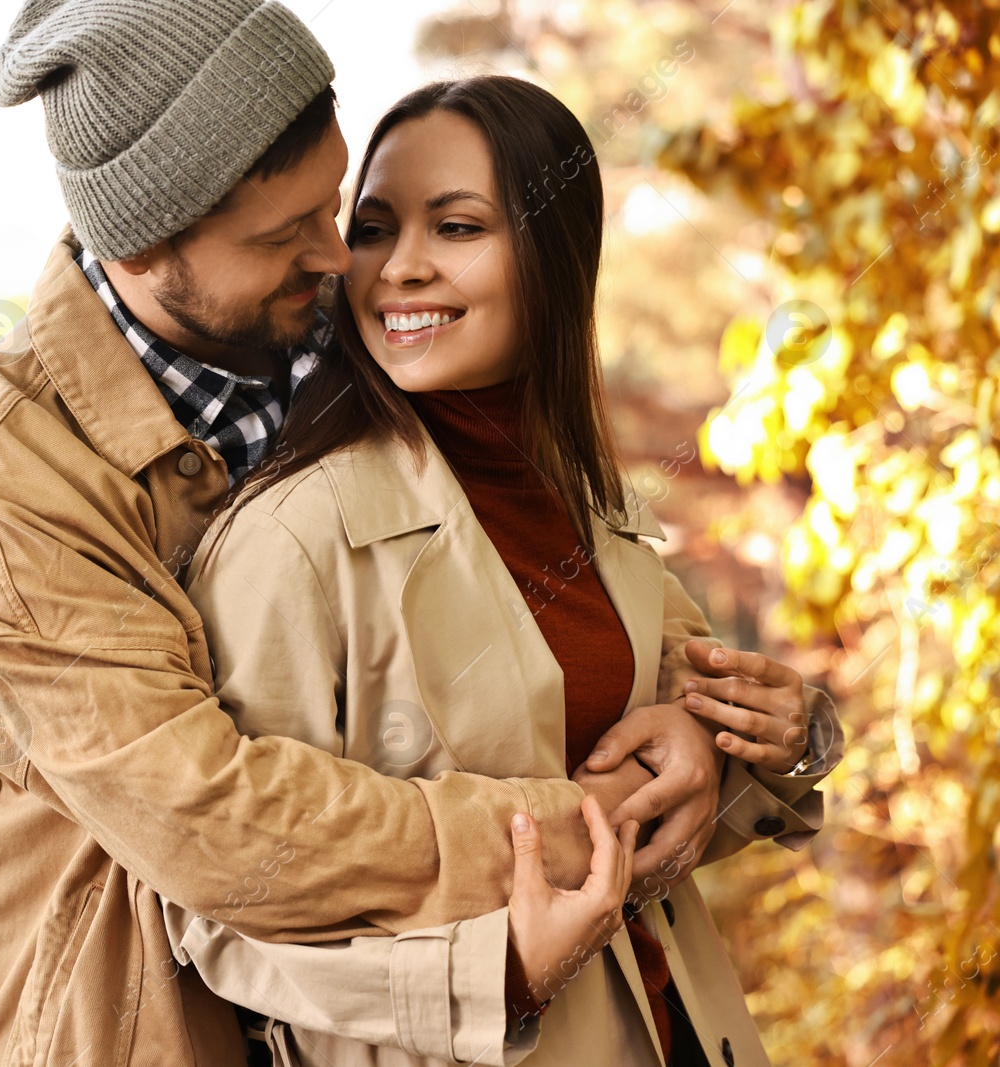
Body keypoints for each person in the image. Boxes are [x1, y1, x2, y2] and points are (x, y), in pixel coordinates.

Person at [0, 3, 837, 1062]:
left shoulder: (367, 351)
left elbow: (610, 659)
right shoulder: (6, 484)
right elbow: (214, 821)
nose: (339, 256)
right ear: (148, 241)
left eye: (336, 207)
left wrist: (715, 740)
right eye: (283, 233)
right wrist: (584, 824)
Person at [159, 76, 842, 1067]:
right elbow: (222, 910)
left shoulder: (583, 498)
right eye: (376, 228)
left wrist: (767, 739)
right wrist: (502, 976)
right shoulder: (293, 534)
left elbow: (679, 784)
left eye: (457, 227)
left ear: (552, 257)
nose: (400, 268)